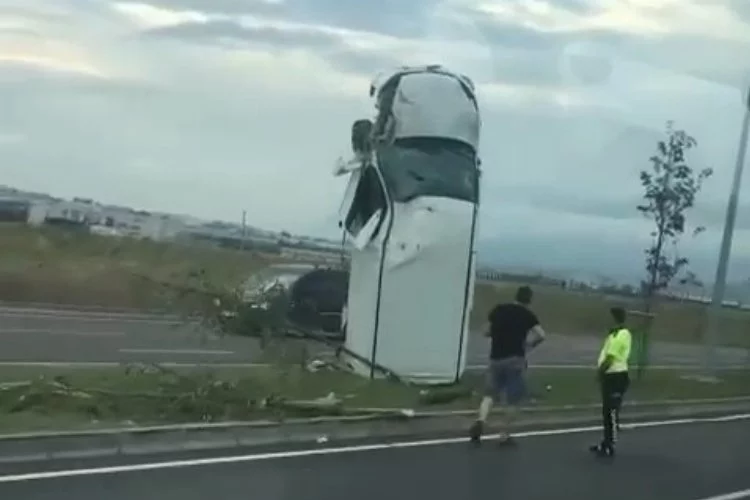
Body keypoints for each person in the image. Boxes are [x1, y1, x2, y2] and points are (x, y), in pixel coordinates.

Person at [469, 285, 547, 445]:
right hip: (515, 359)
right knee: (512, 399)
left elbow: (486, 331)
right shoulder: (528, 315)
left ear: (516, 296)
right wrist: (529, 345)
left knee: (489, 394)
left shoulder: (499, 309)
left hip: (495, 357)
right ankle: (504, 434)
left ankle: (481, 420)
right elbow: (541, 335)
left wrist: (497, 333)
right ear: (529, 300)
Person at [590, 306, 632, 458]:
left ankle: (610, 444)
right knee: (607, 411)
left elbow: (610, 358)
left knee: (611, 411)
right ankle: (606, 441)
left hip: (616, 376)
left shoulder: (621, 335)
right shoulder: (613, 334)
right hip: (610, 376)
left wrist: (599, 373)